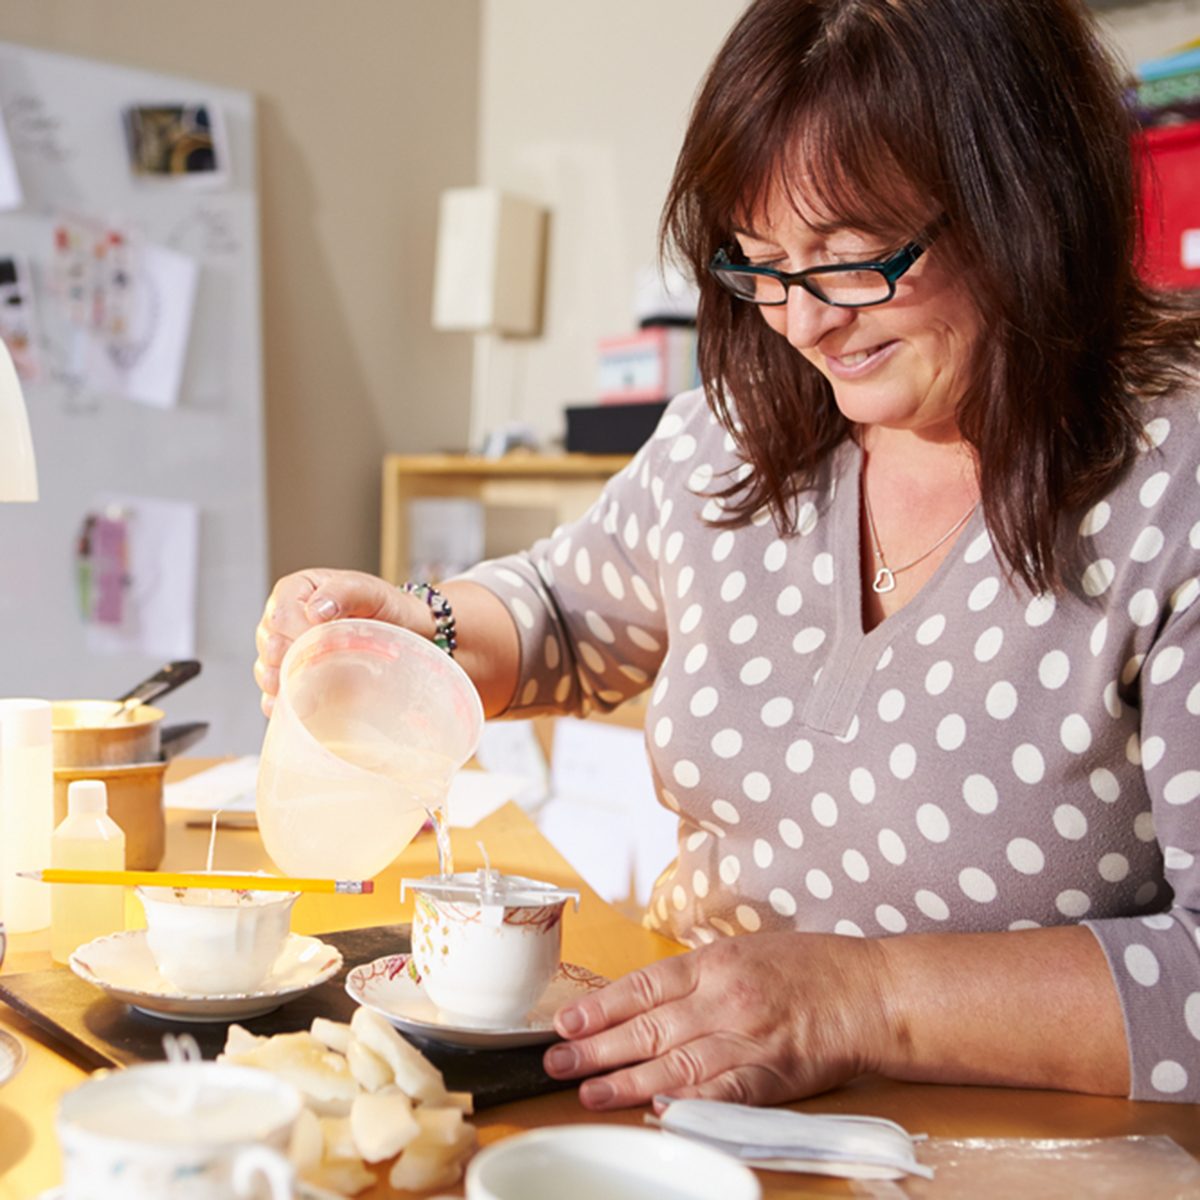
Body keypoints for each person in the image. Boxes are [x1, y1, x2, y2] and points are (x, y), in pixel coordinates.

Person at [256, 0, 1200, 1112]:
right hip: (698, 1112)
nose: (804, 325)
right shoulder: (745, 425)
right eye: (759, 265)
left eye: (853, 261)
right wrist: (424, 632)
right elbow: (563, 612)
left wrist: (864, 999)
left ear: (1026, 199)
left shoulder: (1169, 482)